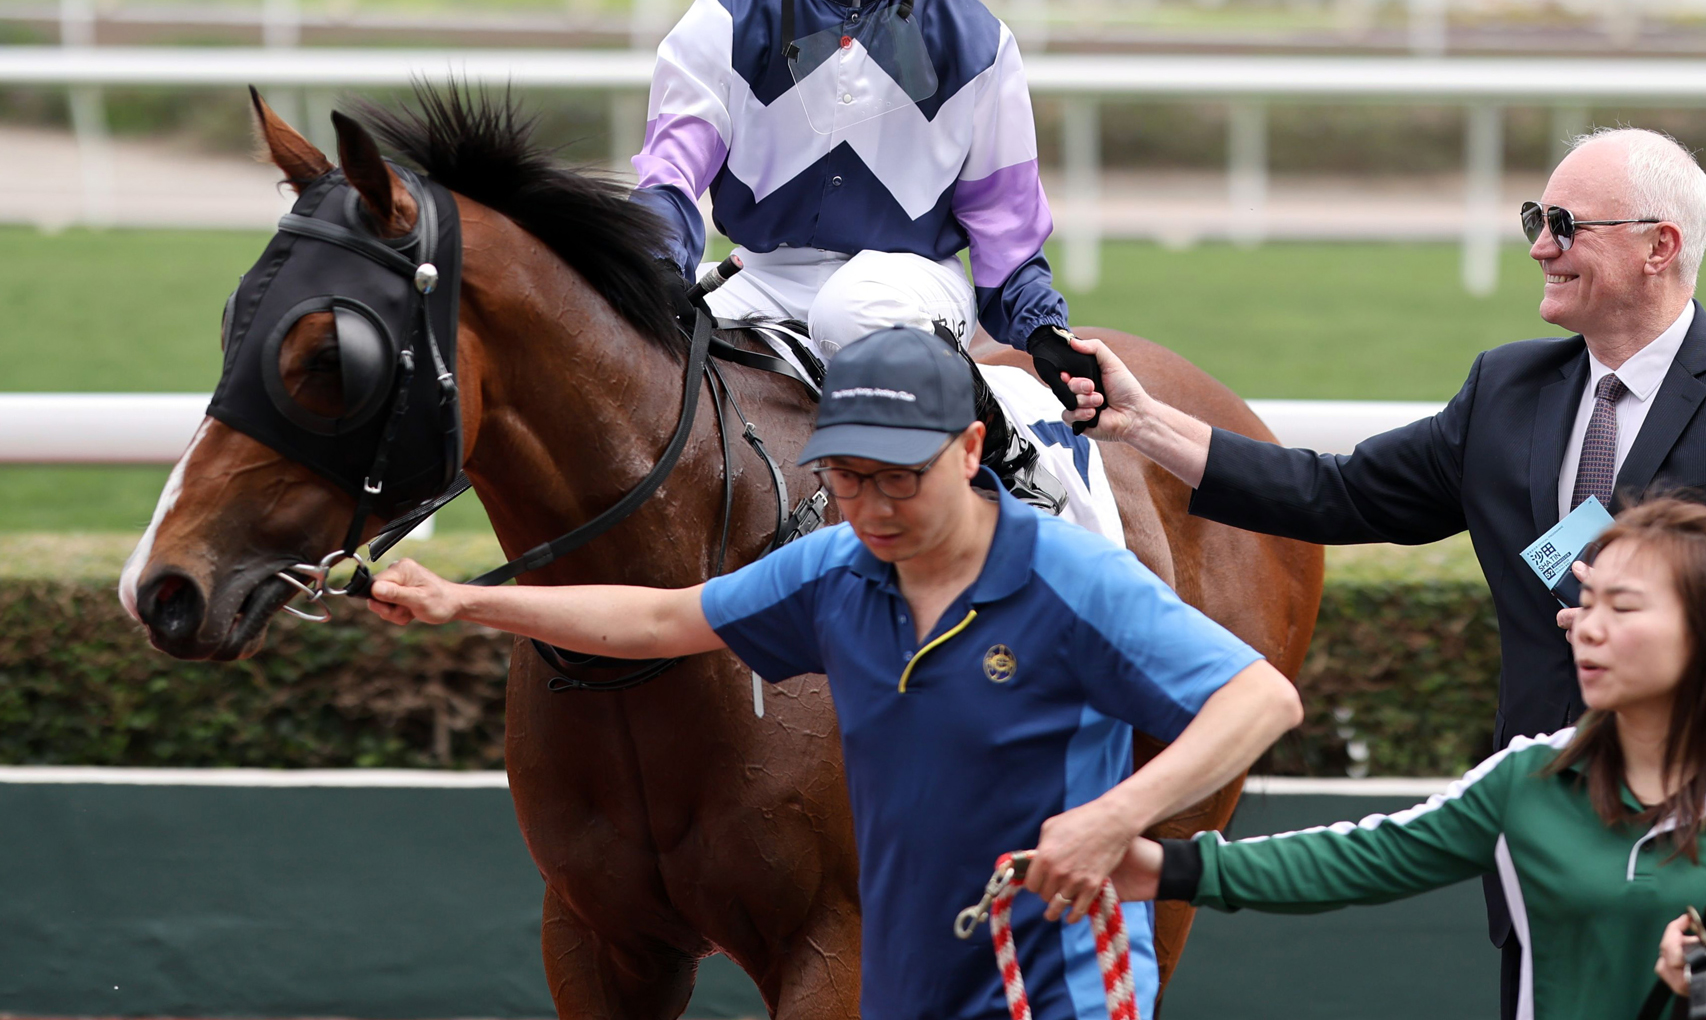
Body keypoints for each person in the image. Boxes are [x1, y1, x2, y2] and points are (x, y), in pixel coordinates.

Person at [1058, 127, 1706, 1011]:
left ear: (1662, 245)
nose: (1540, 245)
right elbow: (1337, 494)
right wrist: (1144, 424)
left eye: (1567, 224)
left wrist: (1670, 656)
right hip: (1551, 842)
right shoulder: (1506, 390)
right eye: (1538, 218)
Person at [364, 325, 1302, 1020]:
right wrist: (466, 601)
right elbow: (661, 617)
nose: (874, 504)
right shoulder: (832, 569)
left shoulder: (1072, 571)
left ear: (972, 450)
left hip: (1059, 990)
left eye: (901, 475)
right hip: (906, 983)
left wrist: (1112, 817)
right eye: (849, 477)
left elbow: (1261, 697)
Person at [1110, 498, 1706, 1020]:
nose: (1586, 628)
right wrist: (1167, 868)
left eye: (1621, 608)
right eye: (1585, 605)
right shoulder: (1526, 779)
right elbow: (1359, 858)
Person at [629, 0, 1102, 500]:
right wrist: (653, 262)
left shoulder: (975, 39)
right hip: (765, 279)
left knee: (854, 306)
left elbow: (1003, 222)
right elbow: (672, 173)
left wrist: (1042, 332)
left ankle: (1014, 459)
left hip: (913, 285)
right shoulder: (726, 16)